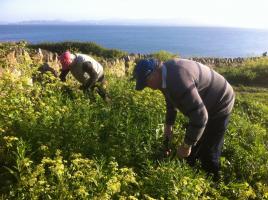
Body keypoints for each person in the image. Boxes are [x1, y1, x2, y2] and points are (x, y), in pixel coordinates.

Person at [133, 58, 235, 180]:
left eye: (146, 83)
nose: (147, 87)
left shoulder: (178, 79)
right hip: (204, 102)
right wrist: (168, 125)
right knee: (194, 142)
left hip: (221, 100)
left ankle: (215, 184)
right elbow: (170, 99)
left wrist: (187, 145)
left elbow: (201, 117)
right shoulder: (164, 74)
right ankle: (194, 175)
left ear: (153, 74)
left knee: (209, 151)